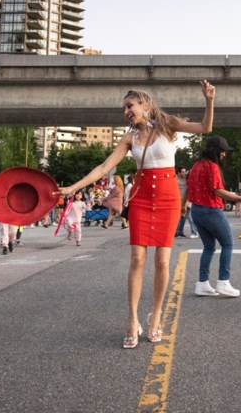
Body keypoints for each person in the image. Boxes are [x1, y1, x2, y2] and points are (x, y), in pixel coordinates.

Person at [59, 81, 215, 349]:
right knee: (137, 258)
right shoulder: (129, 138)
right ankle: (132, 320)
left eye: (130, 105)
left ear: (145, 104)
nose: (126, 111)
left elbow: (205, 128)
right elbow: (104, 166)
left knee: (163, 262)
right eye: (124, 108)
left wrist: (209, 100)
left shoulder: (168, 125)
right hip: (142, 199)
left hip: (167, 199)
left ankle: (155, 317)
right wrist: (73, 187)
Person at [187, 135, 241, 298]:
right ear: (216, 151)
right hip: (211, 210)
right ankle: (223, 281)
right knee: (228, 243)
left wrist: (183, 206)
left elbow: (187, 187)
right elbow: (217, 191)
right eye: (223, 151)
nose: (225, 154)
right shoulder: (212, 166)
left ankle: (202, 283)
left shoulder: (196, 165)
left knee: (209, 247)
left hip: (196, 211)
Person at [174, 167, 198, 238]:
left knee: (190, 217)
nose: (184, 173)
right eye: (182, 172)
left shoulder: (188, 179)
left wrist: (186, 203)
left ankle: (195, 232)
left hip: (188, 201)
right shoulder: (176, 179)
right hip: (180, 201)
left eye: (185, 172)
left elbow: (189, 191)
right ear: (178, 173)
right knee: (181, 218)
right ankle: (179, 232)